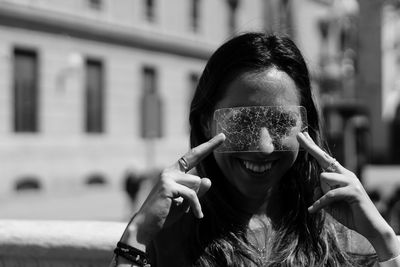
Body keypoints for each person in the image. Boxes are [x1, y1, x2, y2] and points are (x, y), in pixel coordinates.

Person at [110, 33, 400, 267]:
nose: (263, 147)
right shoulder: (168, 235)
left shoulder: (344, 234)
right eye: (242, 122)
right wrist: (137, 236)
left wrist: (385, 242)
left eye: (281, 122)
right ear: (206, 123)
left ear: (305, 127)